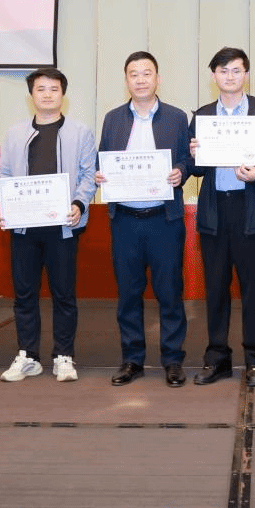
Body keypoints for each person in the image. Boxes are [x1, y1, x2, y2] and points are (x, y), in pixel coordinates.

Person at [188, 47, 255, 388]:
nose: (230, 76)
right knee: (216, 290)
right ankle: (217, 358)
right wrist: (194, 155)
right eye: (223, 70)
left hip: (252, 210)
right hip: (215, 211)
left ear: (246, 74)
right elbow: (195, 169)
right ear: (213, 76)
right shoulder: (203, 116)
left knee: (254, 291)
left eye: (236, 70)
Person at [96, 52, 191, 388]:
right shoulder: (113, 119)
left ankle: (172, 360)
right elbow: (103, 158)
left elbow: (188, 159)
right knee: (129, 293)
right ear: (126, 80)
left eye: (146, 73)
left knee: (170, 292)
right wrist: (100, 174)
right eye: (133, 74)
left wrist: (181, 171)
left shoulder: (177, 117)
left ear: (157, 78)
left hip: (164, 220)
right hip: (125, 220)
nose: (140, 79)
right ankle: (132, 359)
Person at [0, 67, 97, 383]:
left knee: (63, 294)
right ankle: (28, 355)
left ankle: (63, 356)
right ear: (31, 95)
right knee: (24, 294)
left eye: (54, 89)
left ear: (63, 94)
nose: (48, 94)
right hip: (24, 227)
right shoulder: (15, 133)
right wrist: (5, 207)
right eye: (41, 89)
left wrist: (78, 204)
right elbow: (4, 175)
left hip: (63, 226)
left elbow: (88, 175)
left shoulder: (80, 132)